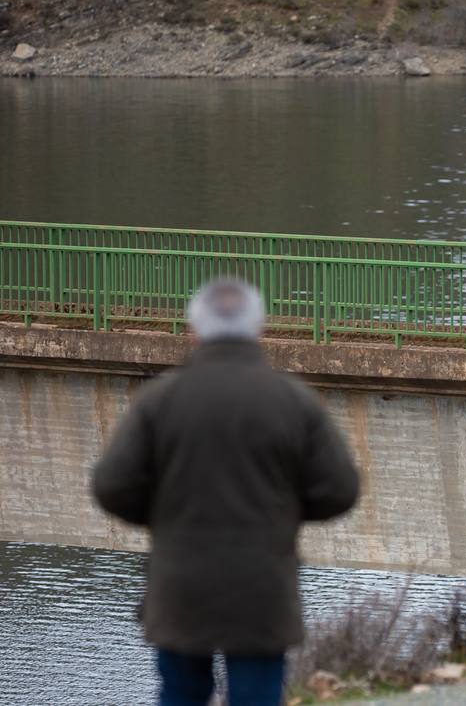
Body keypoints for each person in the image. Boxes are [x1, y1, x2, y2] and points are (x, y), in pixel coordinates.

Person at [92, 278, 361, 706]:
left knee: (182, 693)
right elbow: (340, 490)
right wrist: (283, 510)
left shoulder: (160, 399)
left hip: (180, 582)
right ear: (260, 327)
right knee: (257, 695)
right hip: (263, 584)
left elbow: (111, 487)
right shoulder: (293, 400)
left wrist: (165, 515)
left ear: (192, 329)